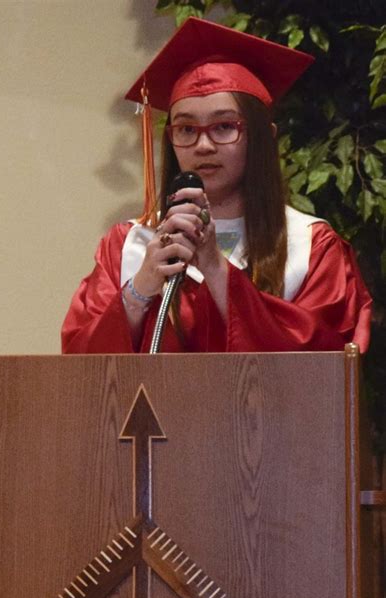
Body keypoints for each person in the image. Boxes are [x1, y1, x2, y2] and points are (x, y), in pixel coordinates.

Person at [61, 17, 371, 355]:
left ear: (264, 138)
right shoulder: (128, 247)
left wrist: (215, 268)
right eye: (186, 129)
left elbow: (325, 367)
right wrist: (141, 288)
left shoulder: (311, 248)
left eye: (224, 127)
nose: (203, 146)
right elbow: (82, 369)